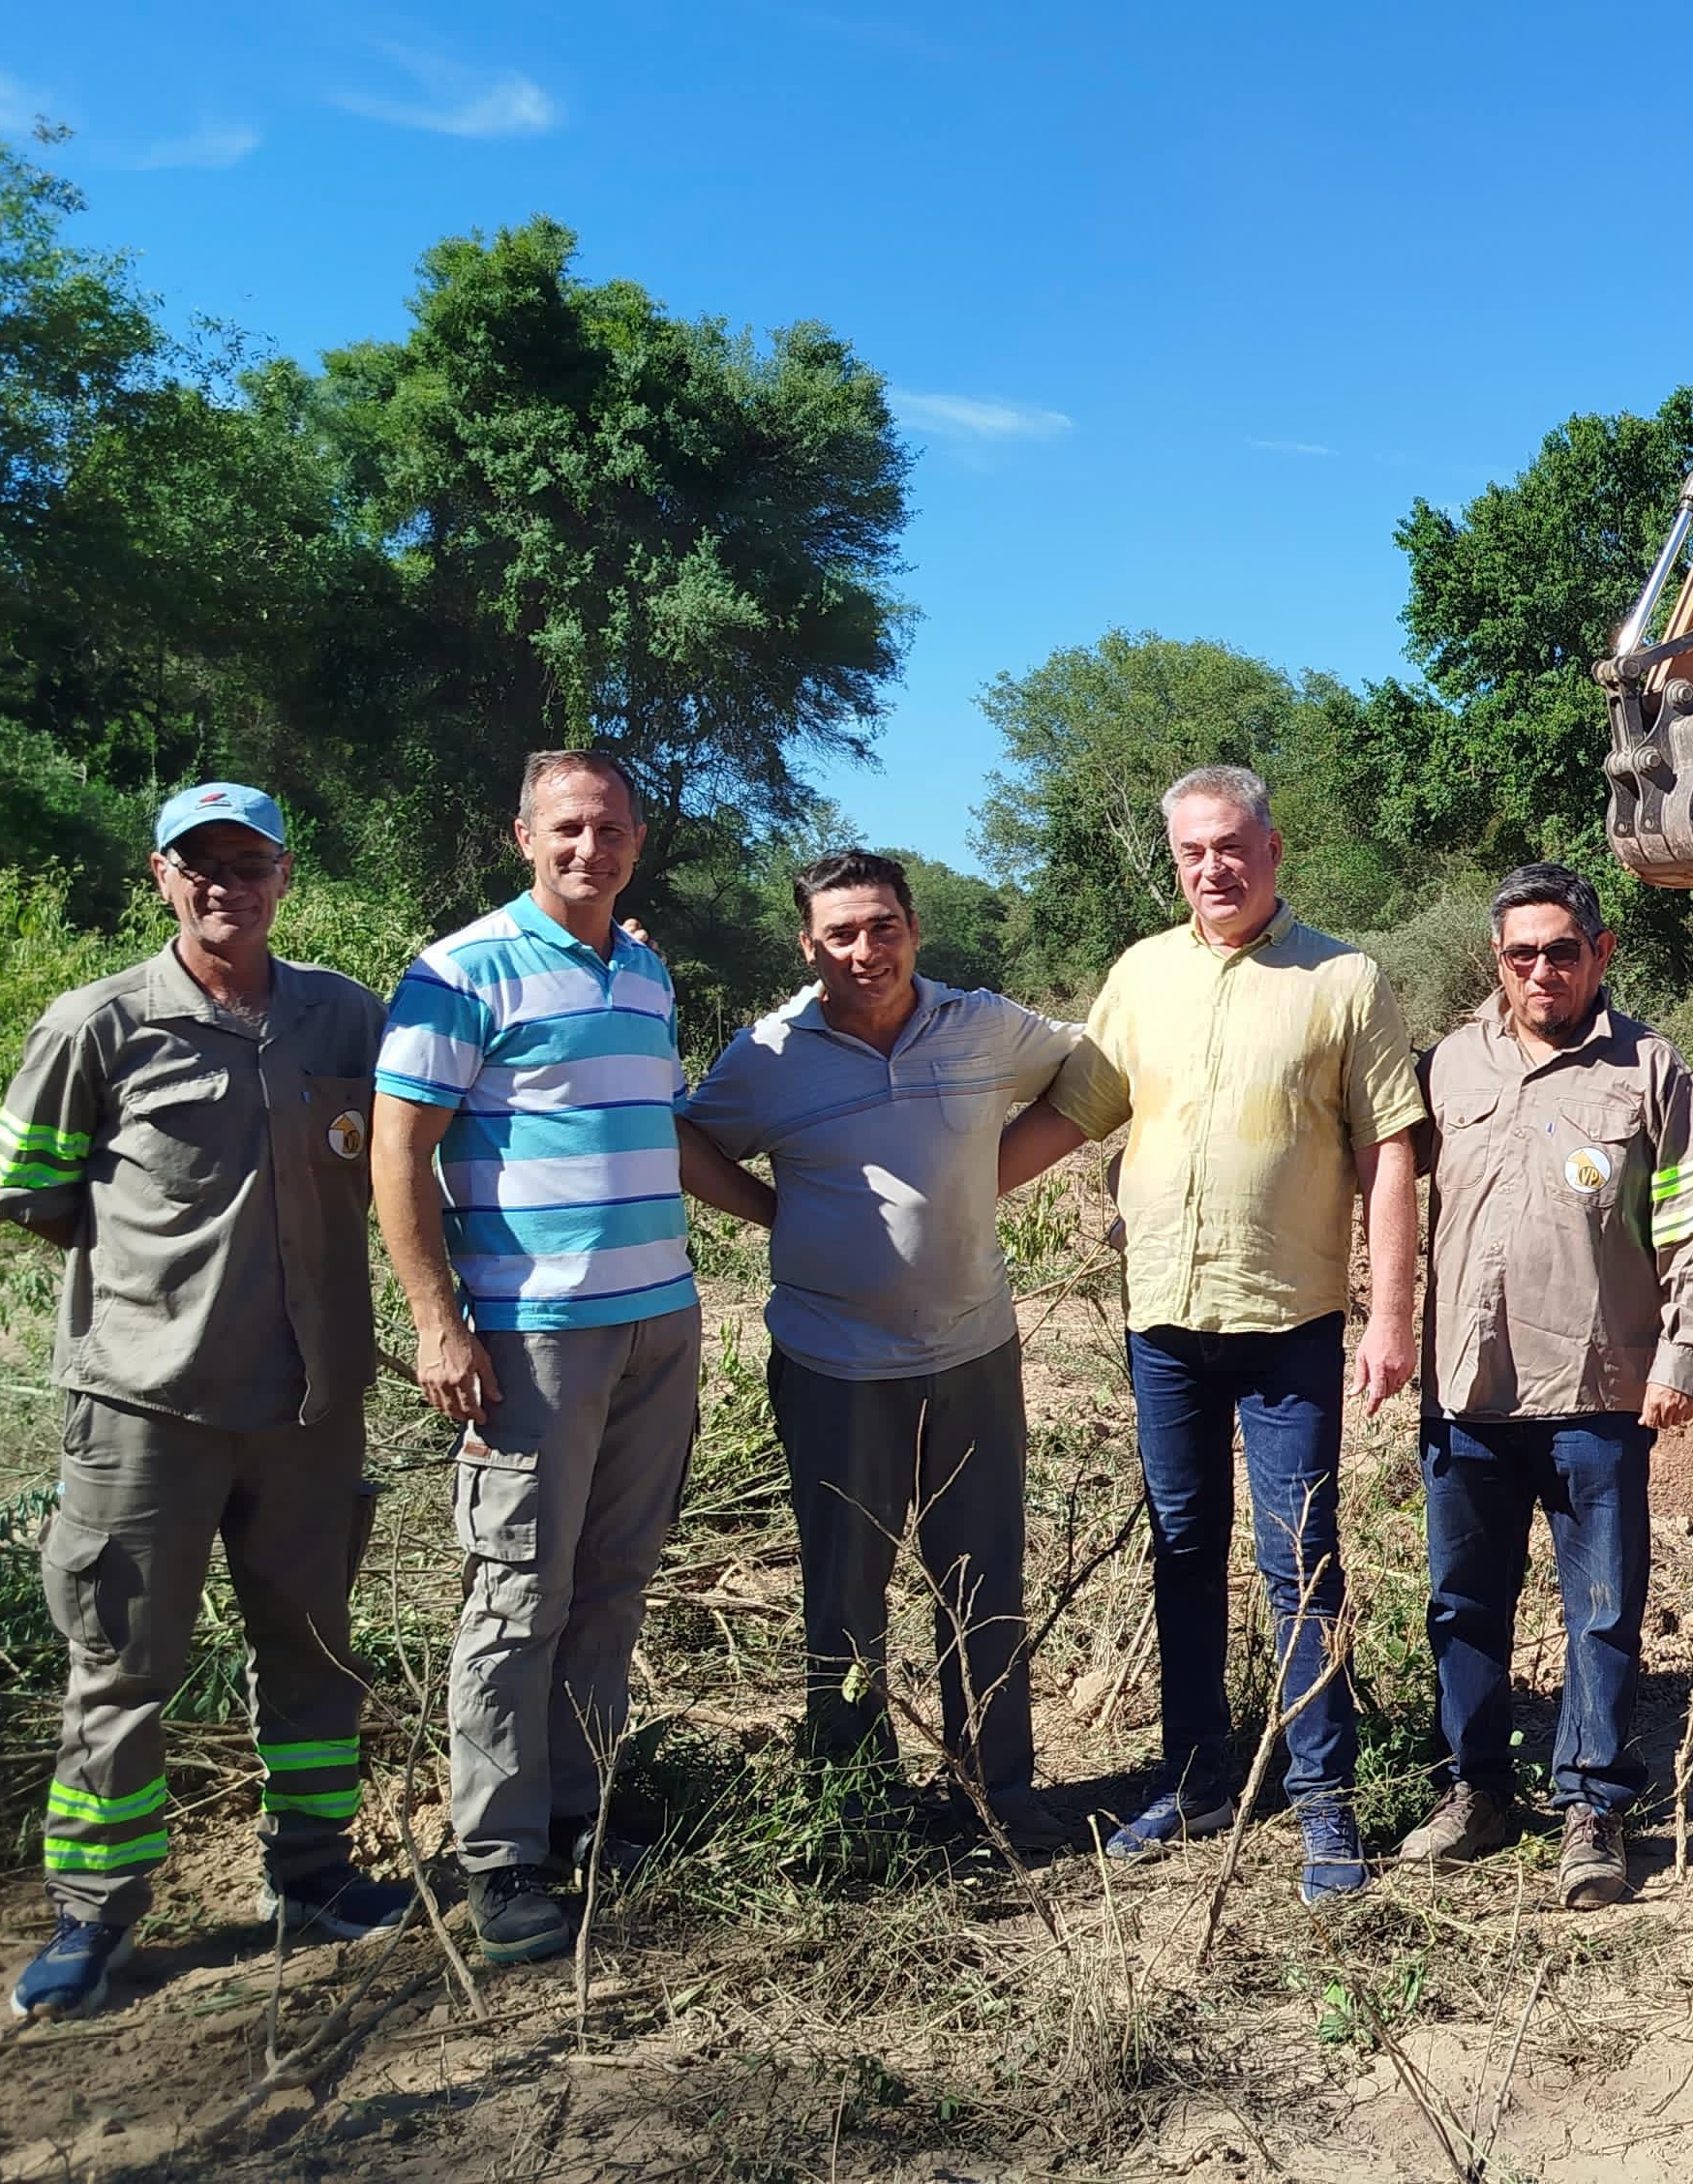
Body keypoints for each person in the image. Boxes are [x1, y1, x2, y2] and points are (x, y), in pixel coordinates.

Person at [0, 782, 409, 2018]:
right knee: (120, 1669)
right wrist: (160, 1296)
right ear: (161, 876)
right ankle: (93, 1918)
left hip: (313, 1411)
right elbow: (30, 1190)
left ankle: (315, 1877)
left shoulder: (343, 1016)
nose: (228, 884)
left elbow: (420, 1133)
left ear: (285, 874)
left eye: (251, 862)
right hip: (143, 1417)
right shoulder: (98, 1022)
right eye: (200, 864)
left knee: (316, 1659)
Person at [371, 749, 768, 1966]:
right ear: (522, 835)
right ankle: (499, 1855)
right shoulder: (458, 971)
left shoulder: (643, 971)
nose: (587, 849)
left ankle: (581, 1815)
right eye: (566, 828)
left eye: (608, 829)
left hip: (659, 1323)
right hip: (532, 1337)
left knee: (610, 1585)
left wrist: (776, 1213)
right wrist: (439, 1319)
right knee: (516, 1595)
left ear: (637, 842)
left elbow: (659, 1133)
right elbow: (398, 1153)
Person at [1001, 765, 1425, 1903]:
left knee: (1300, 1563)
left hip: (1290, 1321)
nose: (1214, 869)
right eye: (1193, 852)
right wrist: (952, 1197)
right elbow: (1074, 1110)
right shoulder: (1141, 976)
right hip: (1165, 1328)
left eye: (1232, 846)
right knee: (1181, 1556)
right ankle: (1194, 1778)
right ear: (1175, 860)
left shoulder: (1343, 978)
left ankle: (1323, 1801)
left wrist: (1393, 1314)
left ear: (1273, 850)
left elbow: (1391, 1148)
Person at [680, 849, 1119, 1852]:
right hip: (835, 1363)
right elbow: (683, 1138)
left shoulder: (981, 1025)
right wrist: (773, 1215)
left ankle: (996, 1795)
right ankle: (857, 1809)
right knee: (843, 1589)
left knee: (984, 1577)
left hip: (972, 1350)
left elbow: (1088, 1074)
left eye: (883, 926)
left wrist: (988, 1180)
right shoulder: (768, 1054)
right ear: (808, 945)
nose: (865, 950)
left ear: (913, 928)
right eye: (840, 933)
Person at [1393, 863, 1693, 1909]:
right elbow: (1371, 1184)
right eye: (1519, 954)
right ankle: (1477, 1790)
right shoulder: (1447, 1067)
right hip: (1467, 1392)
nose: (1540, 969)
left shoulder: (1650, 1070)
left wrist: (1685, 1355)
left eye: (1560, 950)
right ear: (1494, 962)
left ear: (1601, 952)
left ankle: (1591, 1808)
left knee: (1598, 1611)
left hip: (1597, 1390)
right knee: (1463, 1604)